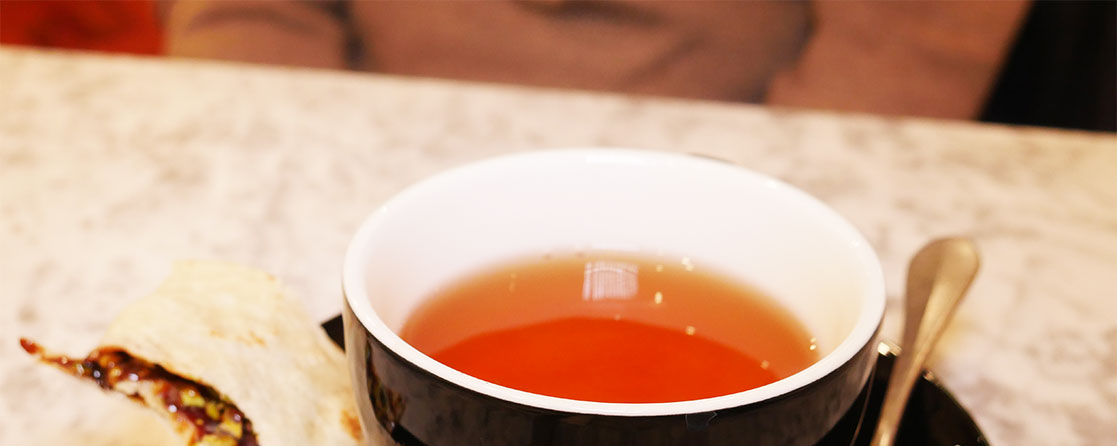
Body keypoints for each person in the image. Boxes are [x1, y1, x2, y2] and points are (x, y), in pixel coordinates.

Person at [161, 0, 1029, 120]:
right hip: (363, 125)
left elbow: (916, 27)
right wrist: (284, 130)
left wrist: (794, 180)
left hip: (748, 134)